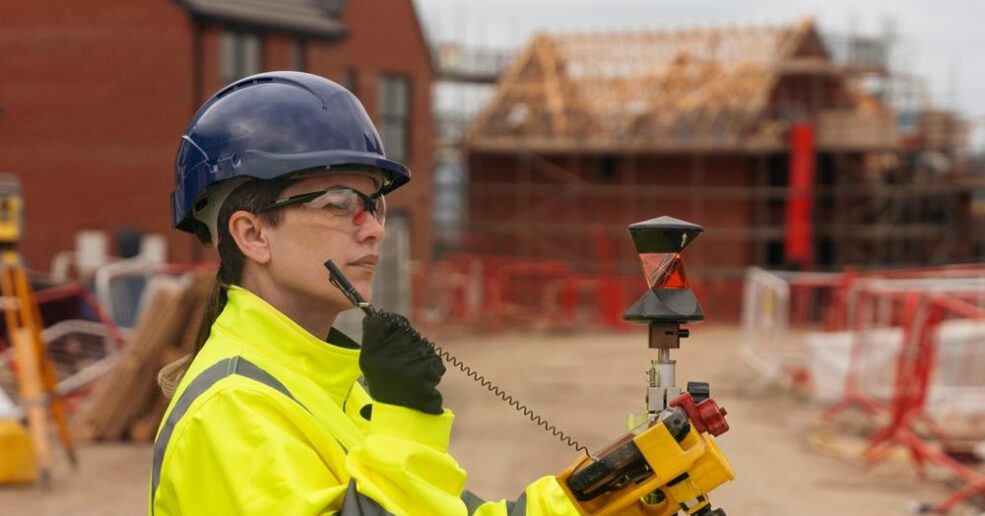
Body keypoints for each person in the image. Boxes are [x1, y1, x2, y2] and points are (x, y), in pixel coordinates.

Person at [150, 71, 580, 515]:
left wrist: (594, 499)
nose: (374, 230)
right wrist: (407, 418)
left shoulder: (330, 383)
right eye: (340, 204)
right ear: (252, 234)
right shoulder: (232, 410)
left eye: (374, 206)